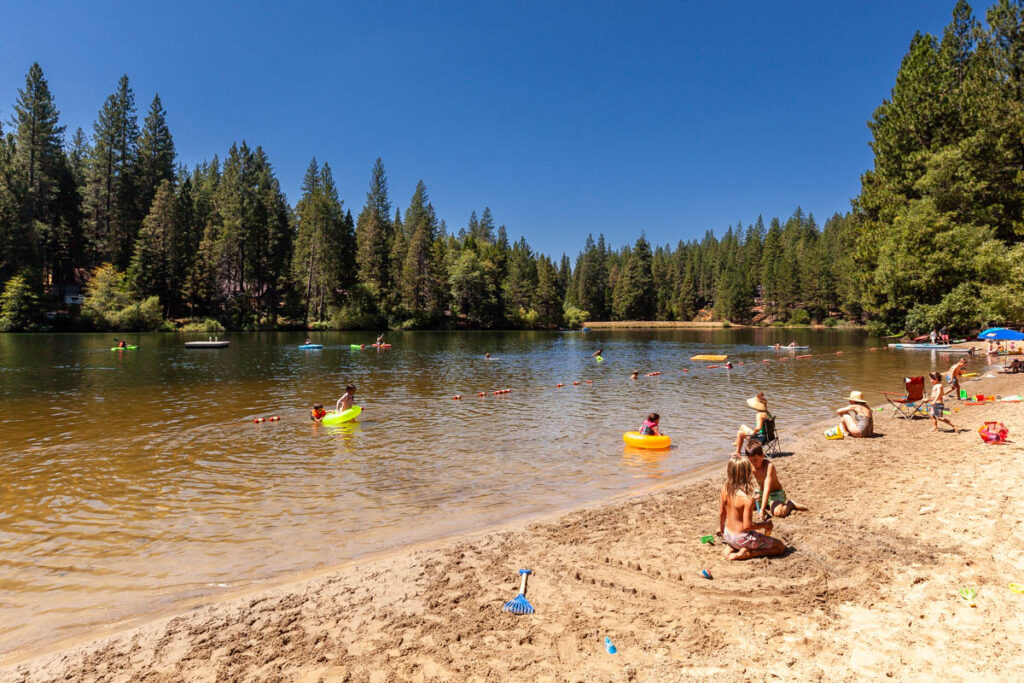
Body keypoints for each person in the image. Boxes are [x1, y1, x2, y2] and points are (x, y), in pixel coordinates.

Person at [718, 455, 787, 561]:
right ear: (747, 473)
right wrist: (765, 524)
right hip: (740, 538)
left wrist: (722, 529)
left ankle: (732, 546)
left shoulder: (725, 489)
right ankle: (749, 553)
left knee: (757, 535)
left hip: (728, 535)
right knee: (780, 547)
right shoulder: (747, 498)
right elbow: (747, 526)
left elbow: (722, 513)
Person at [745, 441, 807, 519]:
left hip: (775, 494)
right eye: (750, 460)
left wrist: (762, 509)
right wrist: (753, 494)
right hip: (761, 493)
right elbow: (746, 481)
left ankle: (790, 504)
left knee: (779, 513)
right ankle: (766, 504)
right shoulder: (751, 465)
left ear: (762, 456)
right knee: (745, 504)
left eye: (755, 460)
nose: (753, 463)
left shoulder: (769, 466)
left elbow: (767, 488)